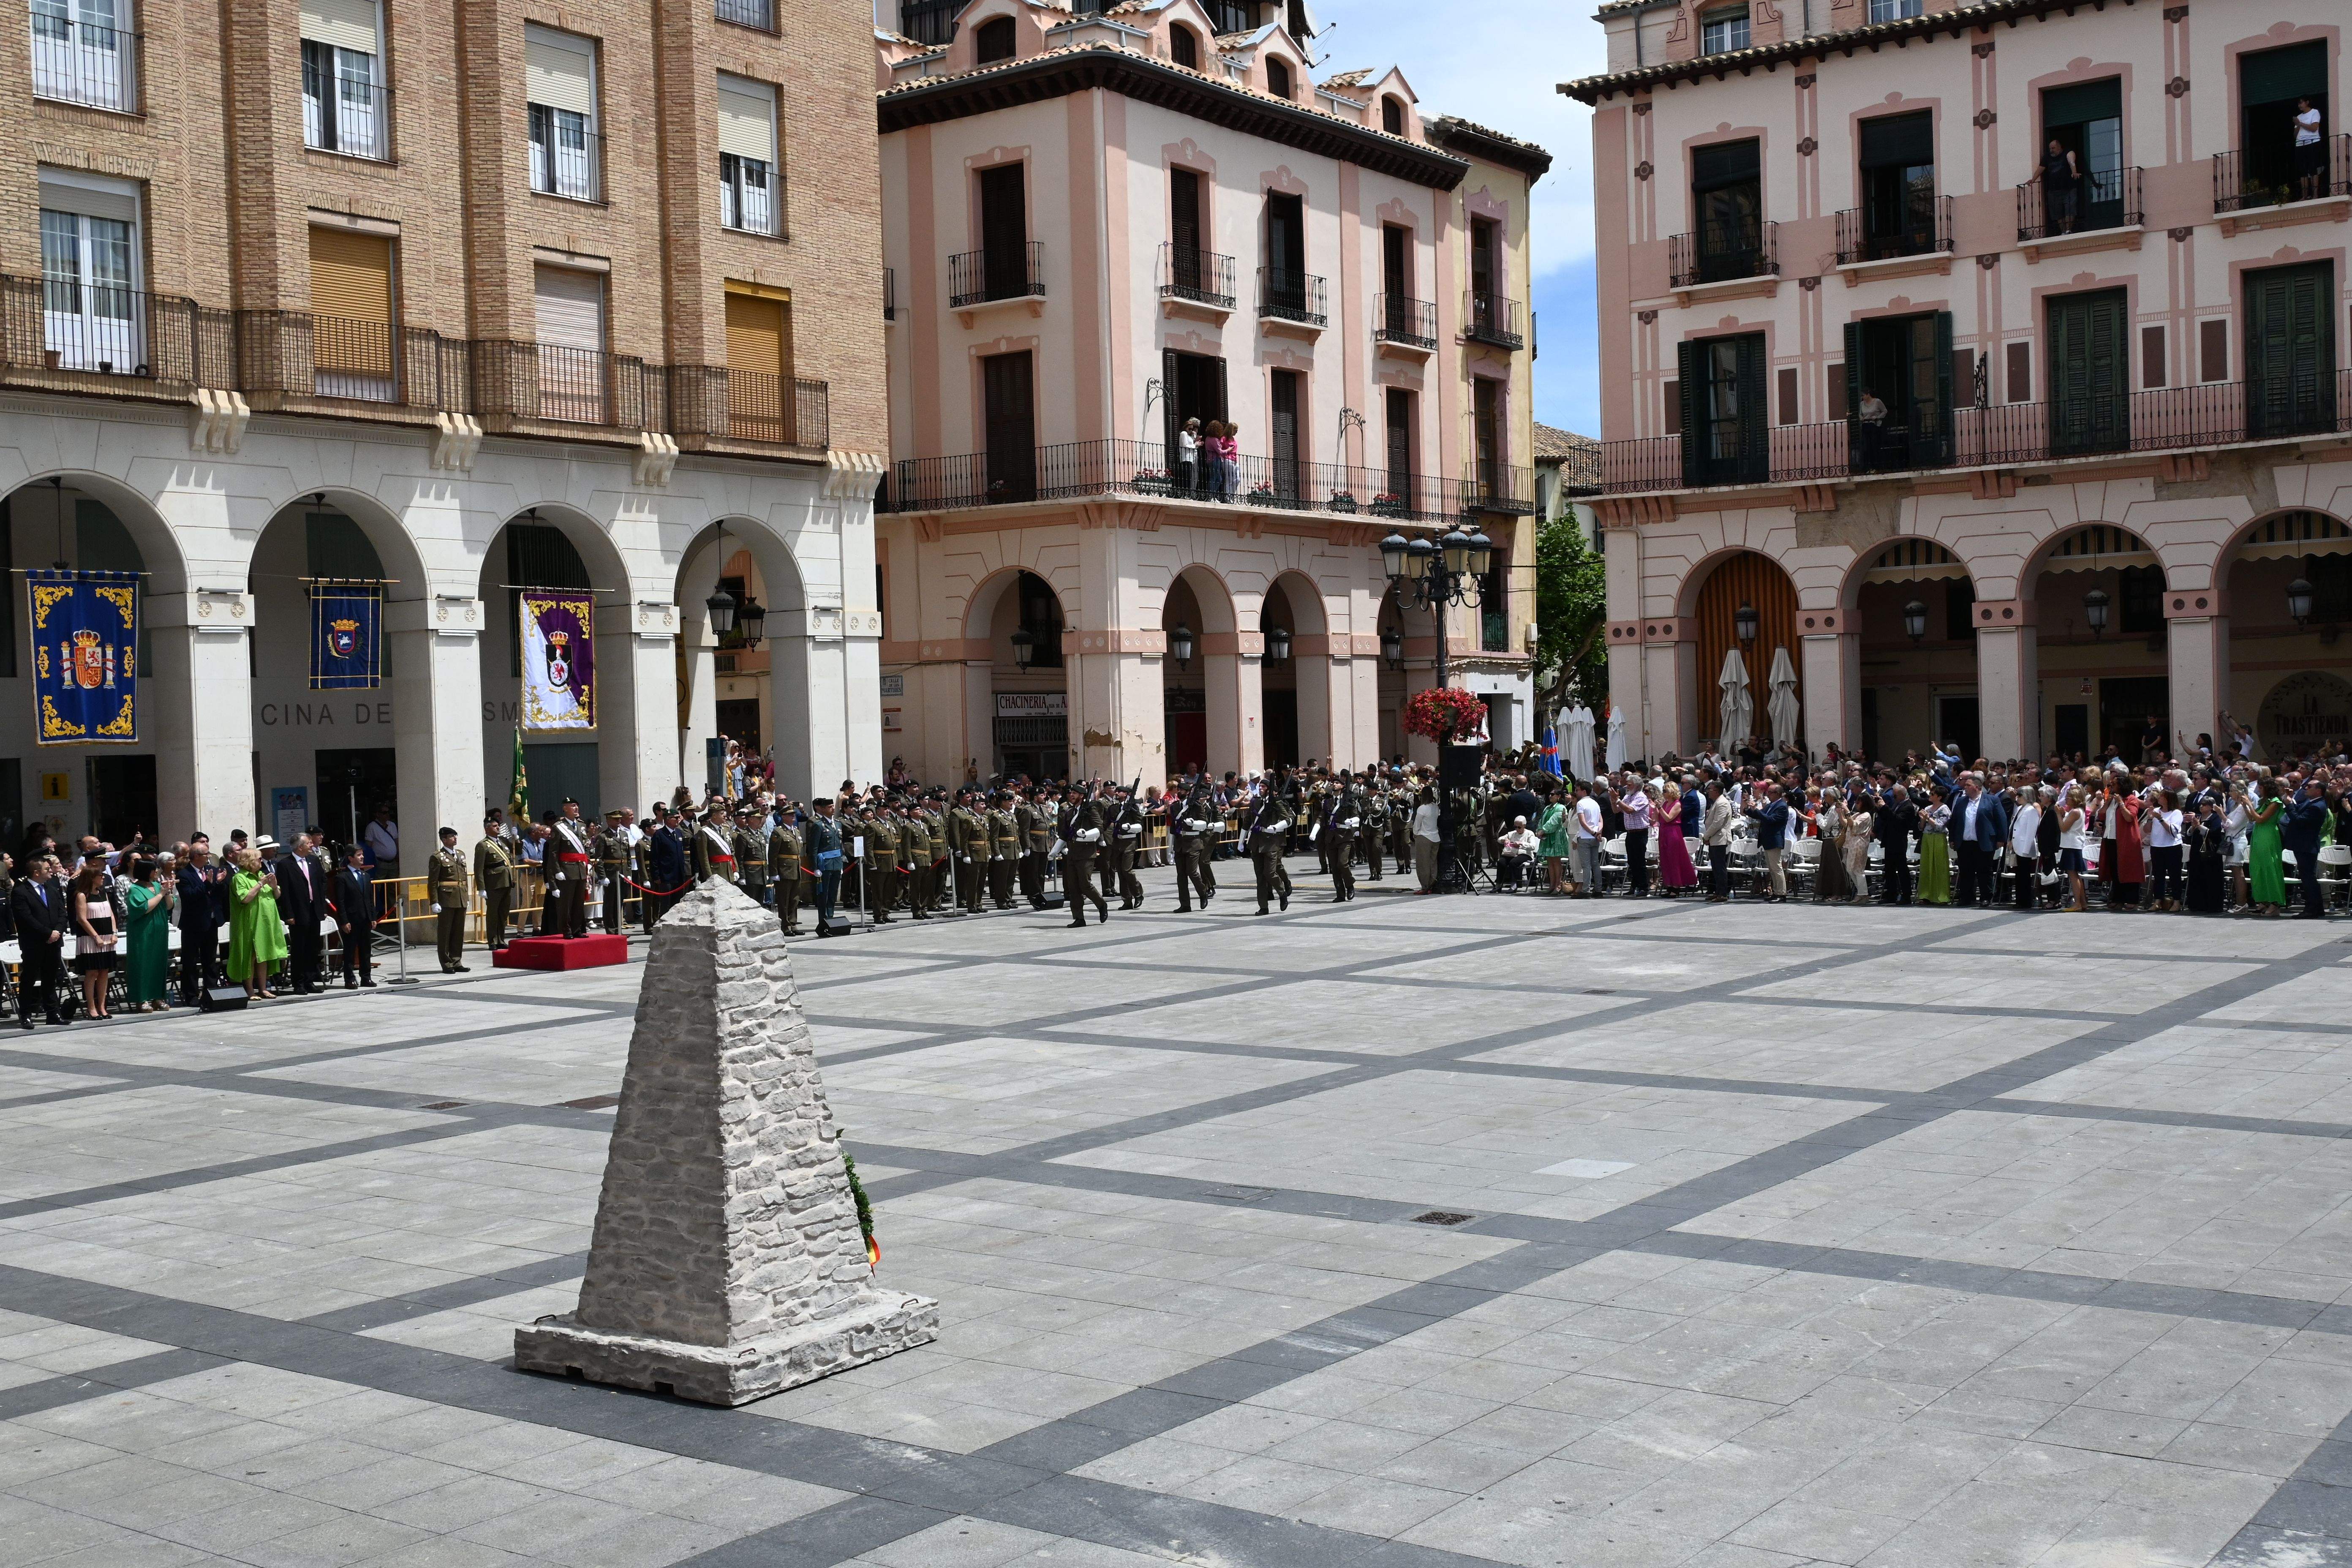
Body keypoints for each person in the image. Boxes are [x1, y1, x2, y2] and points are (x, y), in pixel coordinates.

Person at [13, 856, 69, 1027]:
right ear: (37, 873)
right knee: (29, 978)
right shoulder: (21, 892)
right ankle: (26, 1015)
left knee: (50, 978)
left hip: (54, 941)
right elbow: (26, 919)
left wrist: (58, 931)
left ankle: (53, 1013)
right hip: (34, 943)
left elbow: (62, 912)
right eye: (46, 869)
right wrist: (48, 933)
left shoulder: (51, 889)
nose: (50, 871)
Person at [227, 847, 287, 998]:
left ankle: (263, 988)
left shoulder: (262, 875)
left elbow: (277, 895)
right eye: (259, 859)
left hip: (265, 923)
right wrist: (260, 884)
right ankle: (250, 990)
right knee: (251, 956)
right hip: (249, 923)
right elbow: (245, 899)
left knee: (264, 955)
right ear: (250, 861)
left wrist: (274, 887)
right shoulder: (239, 878)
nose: (262, 861)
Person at [68, 863, 119, 1021]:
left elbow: (111, 914)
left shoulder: (102, 893)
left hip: (106, 937)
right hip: (90, 938)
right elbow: (82, 919)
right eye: (100, 876)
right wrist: (96, 937)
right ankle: (91, 1007)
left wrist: (114, 933)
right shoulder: (82, 895)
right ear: (92, 878)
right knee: (92, 973)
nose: (103, 878)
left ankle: (102, 1006)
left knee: (104, 972)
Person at [175, 838, 223, 1003]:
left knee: (210, 960)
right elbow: (190, 896)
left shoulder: (212, 870)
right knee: (191, 961)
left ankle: (211, 991)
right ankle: (191, 995)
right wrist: (208, 884)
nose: (208, 857)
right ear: (196, 856)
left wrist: (219, 883)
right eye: (205, 854)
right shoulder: (184, 874)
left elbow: (218, 893)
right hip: (193, 924)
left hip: (211, 921)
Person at [123, 856, 173, 1011]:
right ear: (147, 872)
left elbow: (169, 906)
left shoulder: (159, 886)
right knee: (143, 963)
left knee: (159, 963)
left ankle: (158, 997)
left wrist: (167, 892)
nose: (157, 871)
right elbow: (144, 908)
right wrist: (160, 895)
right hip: (143, 931)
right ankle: (142, 999)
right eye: (154, 869)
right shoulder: (135, 889)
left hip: (160, 930)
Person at [331, 843, 378, 988]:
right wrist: (344, 921)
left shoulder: (365, 876)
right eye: (359, 855)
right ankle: (349, 978)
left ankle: (366, 977)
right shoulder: (343, 878)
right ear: (351, 858)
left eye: (362, 854)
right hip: (351, 919)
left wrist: (373, 917)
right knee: (350, 950)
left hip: (365, 918)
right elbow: (341, 901)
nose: (362, 857)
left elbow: (369, 899)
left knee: (366, 950)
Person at [2284, 777, 2330, 919]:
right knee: (2307, 877)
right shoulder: (2311, 803)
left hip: (2307, 846)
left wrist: (2289, 805)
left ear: (2319, 790)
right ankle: (2317, 908)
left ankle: (2312, 909)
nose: (2306, 788)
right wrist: (2290, 800)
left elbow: (2299, 820)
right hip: (2303, 845)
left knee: (2308, 878)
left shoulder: (2318, 806)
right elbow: (2298, 810)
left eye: (2309, 786)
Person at [427, 827, 471, 970]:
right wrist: (434, 901)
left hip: (460, 897)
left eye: (455, 836)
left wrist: (466, 895)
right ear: (444, 839)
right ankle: (446, 963)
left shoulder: (461, 854)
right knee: (445, 932)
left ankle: (457, 961)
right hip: (446, 898)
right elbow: (433, 882)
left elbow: (464, 877)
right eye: (452, 836)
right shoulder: (438, 857)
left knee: (458, 932)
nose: (455, 838)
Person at [2246, 778, 2287, 916]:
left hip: (2268, 835)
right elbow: (2253, 818)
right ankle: (2264, 900)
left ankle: (2275, 902)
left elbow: (2261, 819)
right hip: (2259, 835)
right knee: (2258, 867)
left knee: (2270, 867)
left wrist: (2250, 806)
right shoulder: (2265, 801)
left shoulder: (2275, 802)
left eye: (2261, 788)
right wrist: (2246, 806)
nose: (2259, 790)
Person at [475, 818, 516, 951]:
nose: (498, 828)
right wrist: (481, 888)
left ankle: (501, 939)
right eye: (494, 826)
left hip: (506, 883)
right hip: (493, 884)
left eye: (498, 825)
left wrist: (516, 838)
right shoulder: (483, 845)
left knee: (503, 914)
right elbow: (479, 868)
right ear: (487, 829)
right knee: (493, 914)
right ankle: (492, 941)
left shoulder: (503, 843)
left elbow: (517, 851)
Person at [1701, 781, 1735, 901]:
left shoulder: (1722, 803)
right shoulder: (1716, 802)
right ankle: (1718, 891)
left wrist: (1706, 836)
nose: (1708, 792)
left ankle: (1723, 894)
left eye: (1710, 790)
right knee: (1715, 867)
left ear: (1716, 791)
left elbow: (1717, 823)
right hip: (1714, 840)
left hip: (1720, 839)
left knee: (1720, 867)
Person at [2041, 137, 2081, 233]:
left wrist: (2074, 172)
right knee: (2057, 212)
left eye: (2053, 148)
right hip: (2054, 191)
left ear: (2059, 147)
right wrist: (2033, 180)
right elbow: (2041, 168)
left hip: (2069, 188)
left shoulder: (2068, 153)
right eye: (2050, 149)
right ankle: (2063, 231)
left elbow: (2072, 162)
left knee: (2070, 209)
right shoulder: (2047, 157)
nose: (2051, 151)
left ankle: (2068, 230)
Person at [1571, 782, 1603, 897]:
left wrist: (1593, 832)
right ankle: (1598, 889)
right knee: (1596, 864)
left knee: (1587, 865)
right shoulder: (1595, 803)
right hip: (1594, 837)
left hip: (1585, 837)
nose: (1576, 792)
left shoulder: (1581, 804)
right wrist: (1598, 832)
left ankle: (1586, 890)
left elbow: (1583, 822)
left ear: (1584, 791)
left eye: (1578, 790)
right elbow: (1600, 821)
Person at [1536, 792, 1571, 894]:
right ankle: (1552, 885)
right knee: (1550, 861)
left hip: (1556, 836)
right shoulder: (1548, 808)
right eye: (1550, 794)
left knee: (1556, 861)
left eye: (1553, 794)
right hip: (1547, 836)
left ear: (1559, 796)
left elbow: (1554, 821)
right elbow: (1542, 820)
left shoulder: (1561, 808)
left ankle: (1558, 885)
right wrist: (1539, 830)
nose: (1550, 796)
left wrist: (1544, 830)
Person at [2295, 96, 2327, 201]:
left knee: (2313, 168)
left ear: (2307, 102)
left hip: (2313, 142)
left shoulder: (2315, 112)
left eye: (2301, 103)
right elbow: (2295, 135)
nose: (2299, 105)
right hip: (2300, 144)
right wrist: (2297, 125)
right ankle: (2304, 196)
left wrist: (2301, 124)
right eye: (2299, 104)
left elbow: (2314, 128)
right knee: (2302, 170)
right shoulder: (2299, 116)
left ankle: (2315, 195)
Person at [1412, 786, 1443, 894]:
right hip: (1435, 836)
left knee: (1423, 864)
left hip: (1424, 836)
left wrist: (1415, 834)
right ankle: (1432, 884)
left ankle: (1425, 886)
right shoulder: (1435, 807)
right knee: (1433, 863)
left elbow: (1417, 825)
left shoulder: (1422, 808)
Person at [362, 803, 399, 869]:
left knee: (394, 879)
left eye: (389, 812)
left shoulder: (392, 825)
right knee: (380, 879)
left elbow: (396, 841)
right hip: (380, 863)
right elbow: (369, 845)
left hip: (393, 863)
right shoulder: (372, 827)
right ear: (378, 814)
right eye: (385, 813)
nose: (388, 815)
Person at [1176, 416, 1201, 498]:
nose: (1192, 430)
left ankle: (1188, 494)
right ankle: (1185, 494)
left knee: (1189, 476)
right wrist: (1195, 445)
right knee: (1186, 476)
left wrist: (1196, 443)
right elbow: (1185, 445)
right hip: (1185, 458)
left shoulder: (1188, 435)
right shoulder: (1183, 434)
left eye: (1192, 428)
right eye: (1190, 429)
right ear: (1185, 428)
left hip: (1190, 458)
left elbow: (1190, 445)